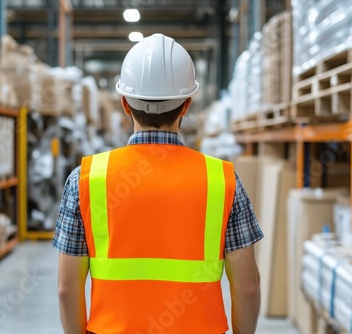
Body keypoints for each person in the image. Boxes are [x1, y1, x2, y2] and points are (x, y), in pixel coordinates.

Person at [53, 33, 263, 334]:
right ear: (186, 105)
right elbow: (248, 287)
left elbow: (66, 289)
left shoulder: (86, 179)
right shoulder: (222, 180)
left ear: (125, 104)